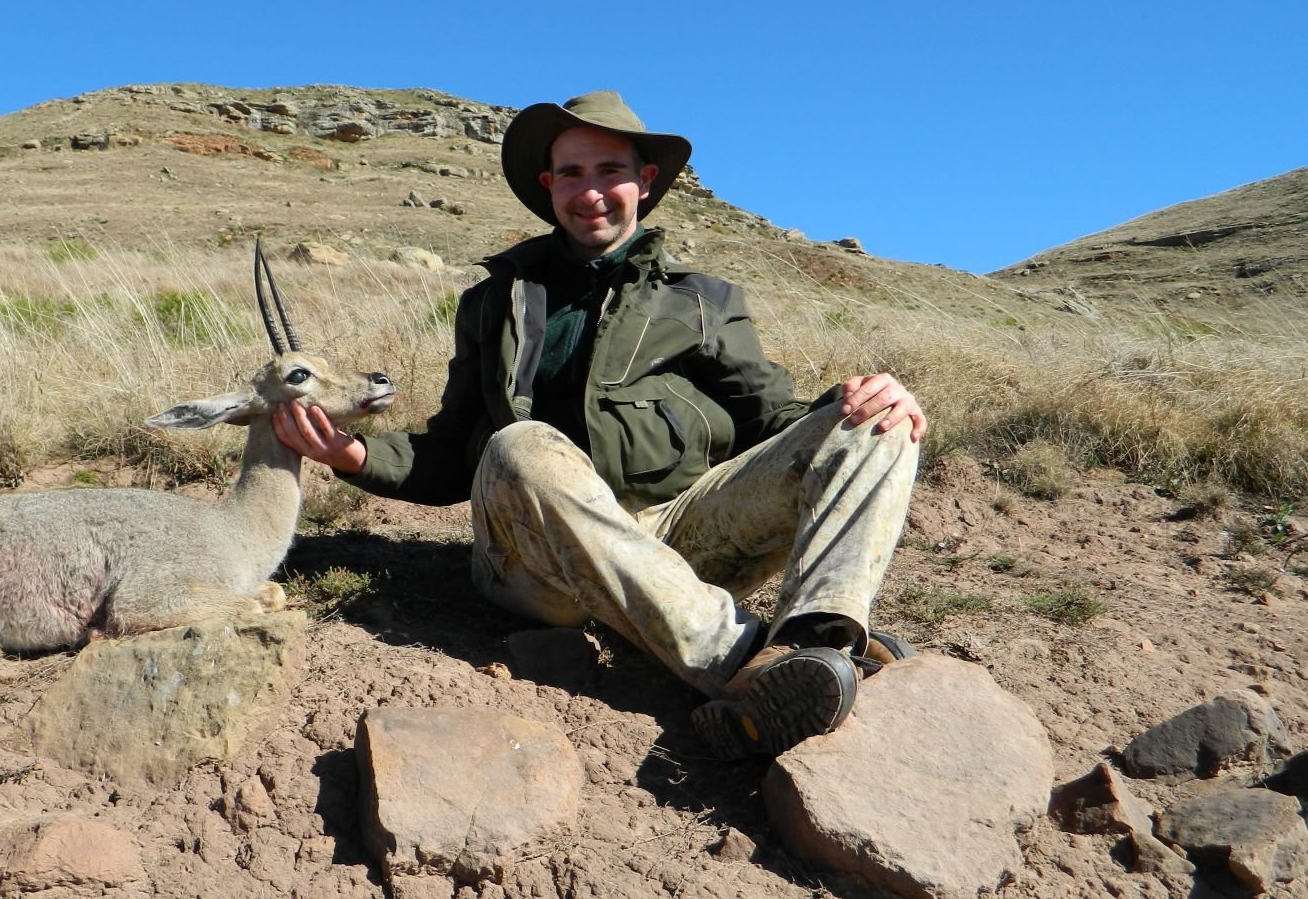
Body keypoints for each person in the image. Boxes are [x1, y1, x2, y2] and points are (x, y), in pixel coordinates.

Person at [274, 91, 925, 757]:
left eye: (610, 170)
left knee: (879, 422)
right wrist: (356, 456)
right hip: (537, 563)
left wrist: (852, 404)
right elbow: (453, 452)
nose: (591, 193)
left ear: (644, 182)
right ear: (548, 186)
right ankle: (742, 661)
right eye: (573, 174)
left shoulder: (705, 301)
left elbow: (772, 421)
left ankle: (817, 642)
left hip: (676, 544)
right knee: (519, 444)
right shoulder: (495, 301)